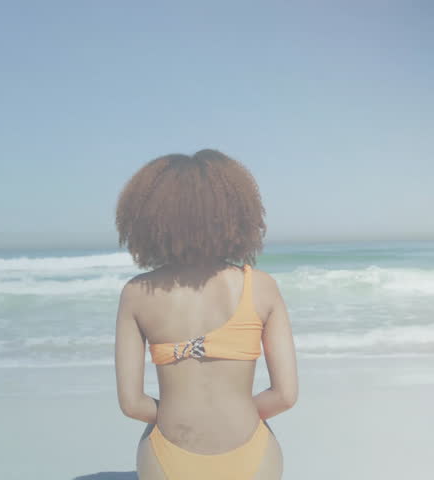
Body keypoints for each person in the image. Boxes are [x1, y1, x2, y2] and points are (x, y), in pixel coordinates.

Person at [113, 149, 299, 480]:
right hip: (252, 455)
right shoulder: (261, 287)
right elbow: (285, 396)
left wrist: (182, 416)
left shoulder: (137, 293)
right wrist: (235, 414)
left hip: (168, 456)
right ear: (237, 214)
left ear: (149, 219)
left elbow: (132, 404)